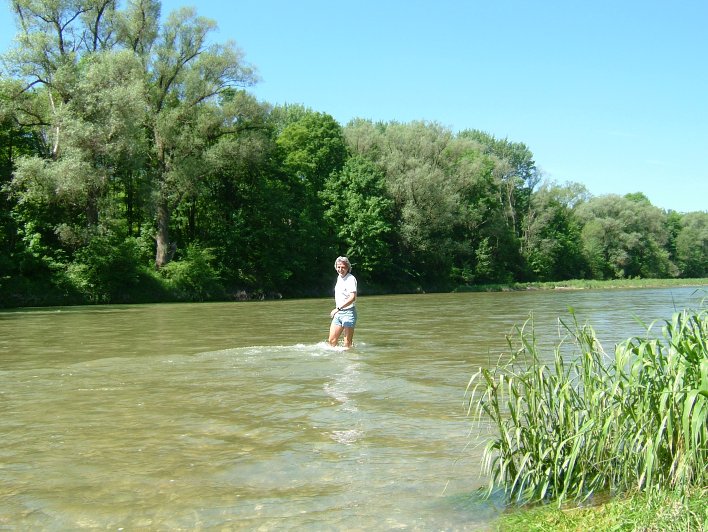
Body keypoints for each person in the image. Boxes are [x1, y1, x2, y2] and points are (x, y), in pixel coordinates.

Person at [328, 256, 357, 348]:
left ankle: (348, 360)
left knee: (347, 343)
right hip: (339, 314)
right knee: (332, 341)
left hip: (348, 313)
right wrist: (338, 310)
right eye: (338, 267)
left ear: (348, 268)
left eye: (343, 267)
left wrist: (338, 308)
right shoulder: (339, 278)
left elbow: (352, 297)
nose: (340, 269)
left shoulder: (351, 279)